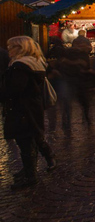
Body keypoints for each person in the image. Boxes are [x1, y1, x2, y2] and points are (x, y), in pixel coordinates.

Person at [0, 36, 56, 189]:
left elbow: (14, 89)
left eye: (11, 47)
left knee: (25, 141)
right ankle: (31, 169)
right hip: (32, 107)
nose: (8, 50)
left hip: (23, 109)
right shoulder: (34, 62)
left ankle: (30, 175)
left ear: (20, 48)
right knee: (31, 138)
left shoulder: (20, 66)